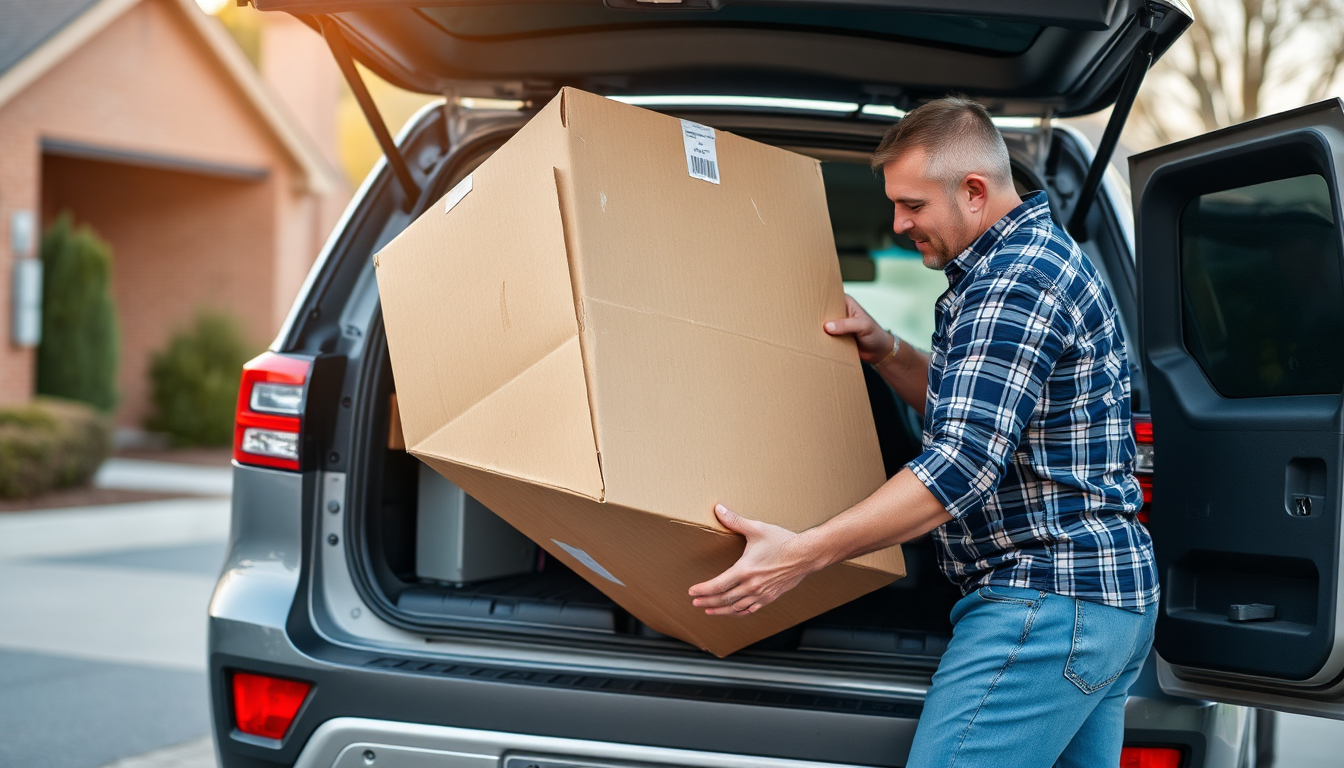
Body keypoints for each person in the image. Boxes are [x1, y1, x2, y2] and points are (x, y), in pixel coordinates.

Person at [688, 97, 1159, 767]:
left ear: (974, 190)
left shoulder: (1014, 282)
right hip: (1096, 606)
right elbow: (980, 406)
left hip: (1046, 605)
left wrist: (802, 555)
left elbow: (961, 467)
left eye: (912, 205)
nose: (898, 222)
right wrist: (888, 351)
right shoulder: (1024, 264)